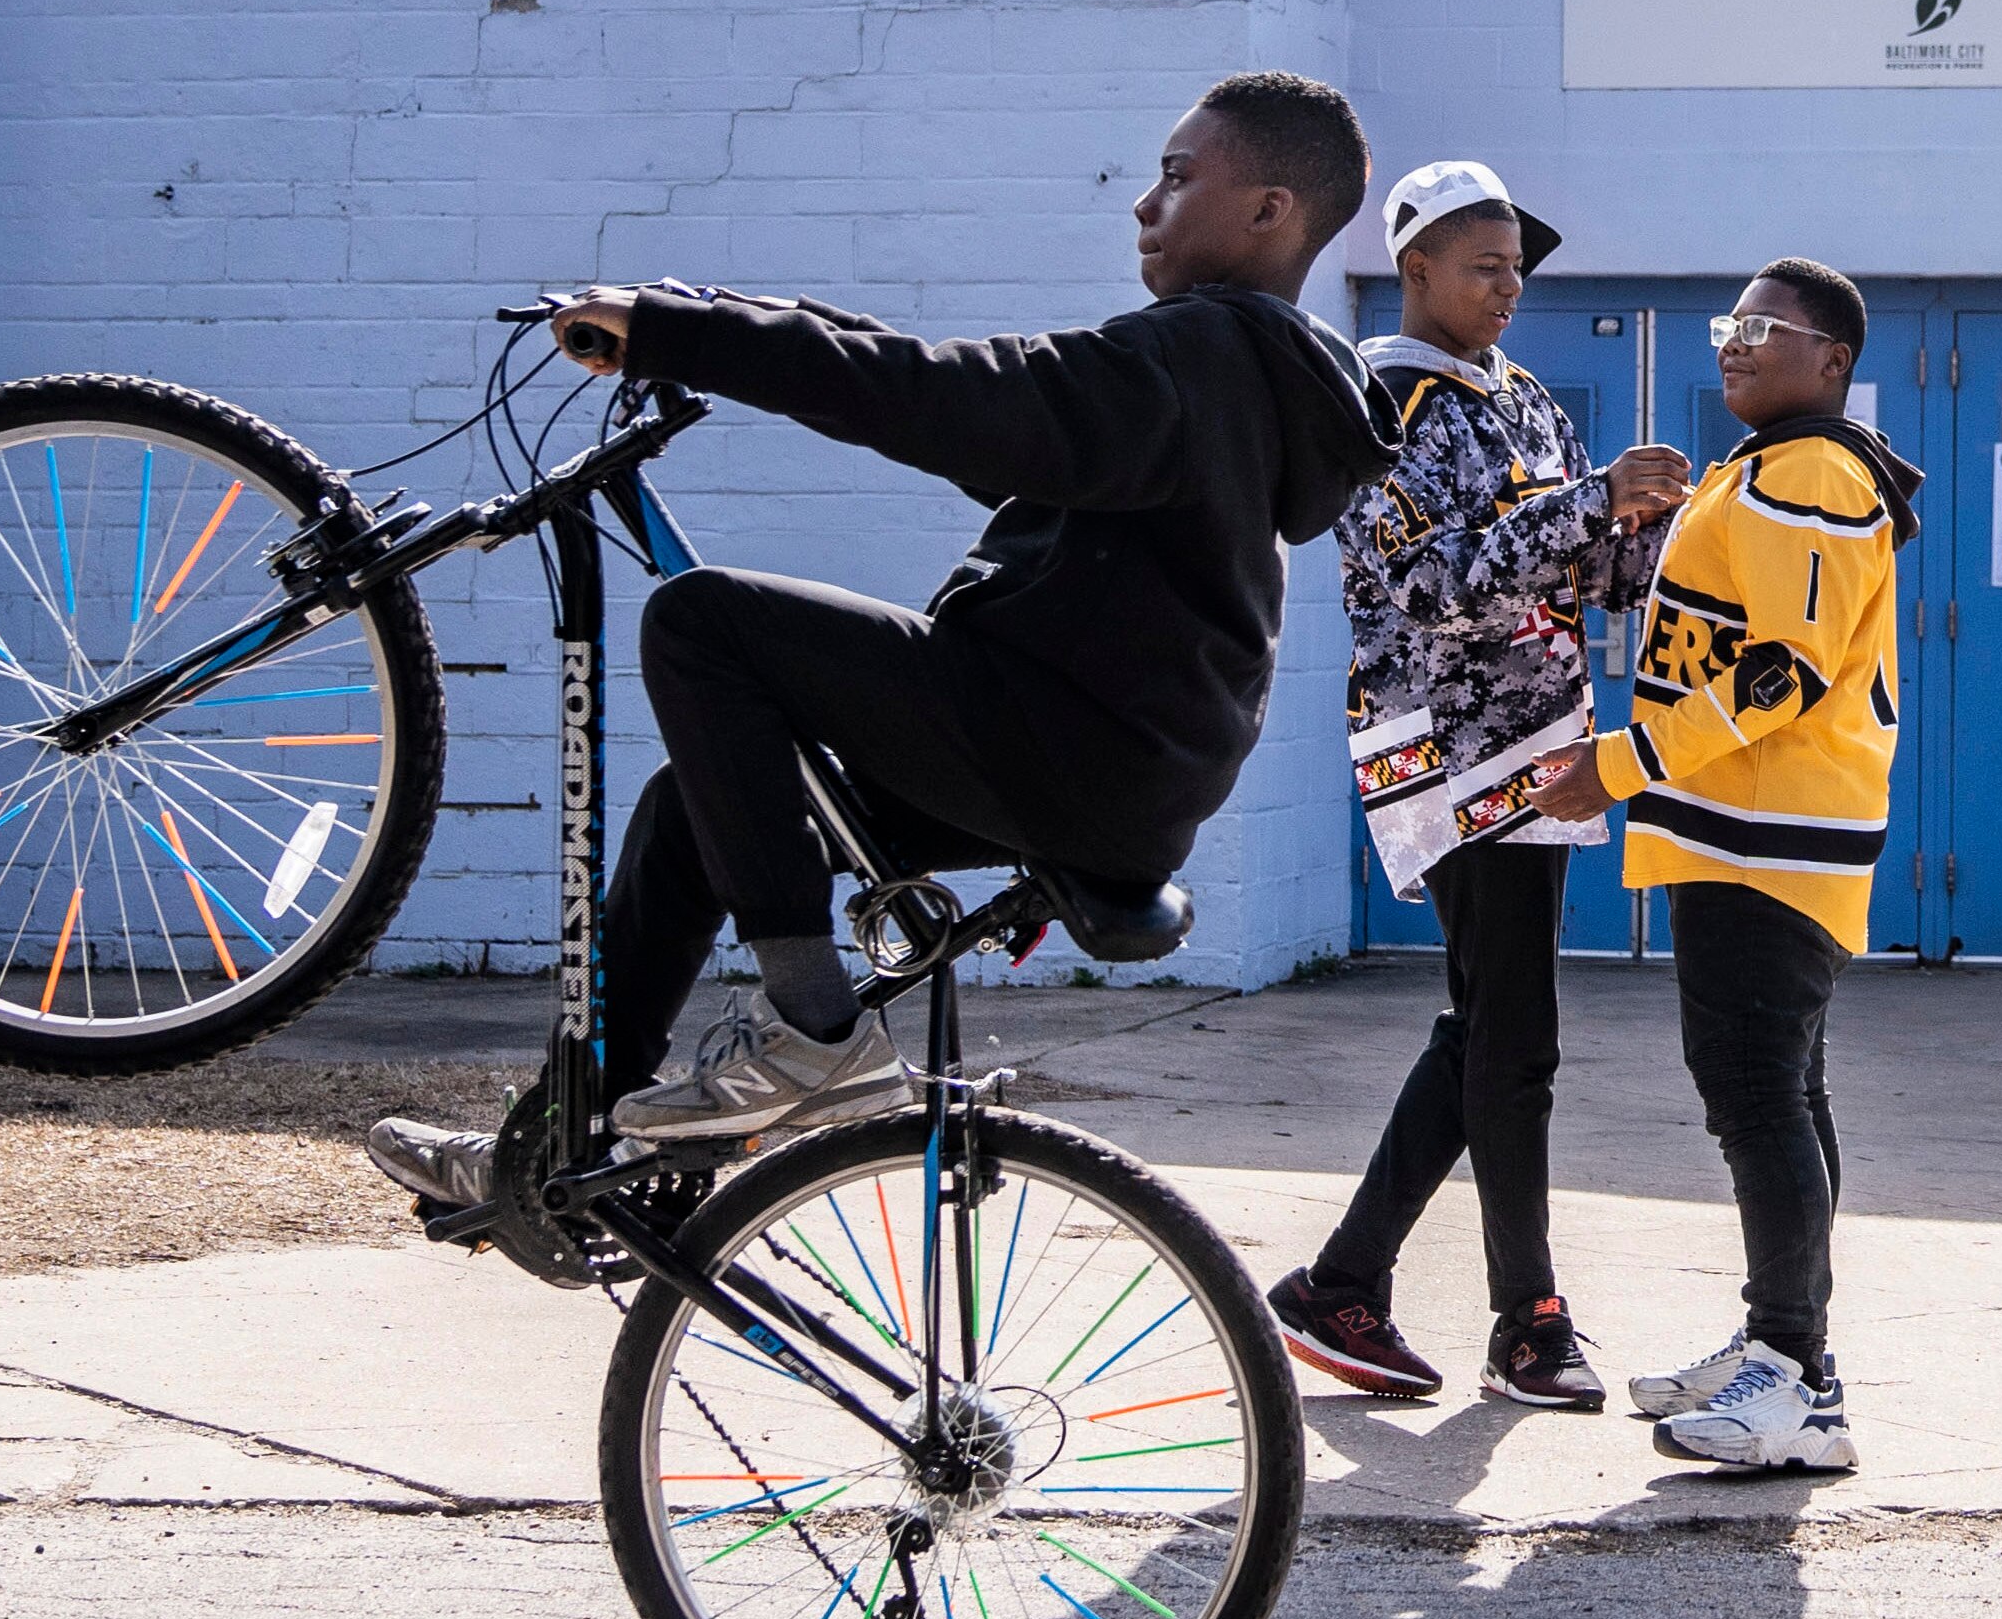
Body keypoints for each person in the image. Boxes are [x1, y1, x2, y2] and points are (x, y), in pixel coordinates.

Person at [365, 73, 1396, 1203]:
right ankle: (561, 1156)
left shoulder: (1195, 355)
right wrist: (736, 319)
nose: (1143, 205)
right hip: (1112, 777)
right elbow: (966, 409)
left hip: (1051, 738)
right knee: (686, 815)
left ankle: (814, 1031)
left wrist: (682, 334)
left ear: (1269, 210)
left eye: (1176, 176)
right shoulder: (1247, 381)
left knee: (705, 621)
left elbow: (946, 399)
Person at [1268, 161, 1691, 1411]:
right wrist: (1585, 506)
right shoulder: (1378, 401)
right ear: (1414, 270)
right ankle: (1526, 1322)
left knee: (1489, 1029)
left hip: (1539, 744)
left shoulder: (1524, 401)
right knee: (1515, 1040)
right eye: (1483, 266)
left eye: (1517, 268)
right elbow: (1429, 587)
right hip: (1443, 748)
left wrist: (1648, 532)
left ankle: (1343, 1284)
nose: (1509, 288)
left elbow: (1577, 585)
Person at [1527, 257, 1918, 1474]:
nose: (1733, 344)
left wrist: (1626, 758)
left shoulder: (1810, 475)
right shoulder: (1765, 468)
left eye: (1762, 328)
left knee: (1755, 1092)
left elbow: (1782, 672)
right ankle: (1784, 1350)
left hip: (1771, 833)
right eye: (1725, 326)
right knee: (1779, 1092)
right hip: (1745, 827)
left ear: (1831, 362)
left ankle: (1794, 1381)